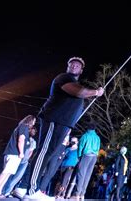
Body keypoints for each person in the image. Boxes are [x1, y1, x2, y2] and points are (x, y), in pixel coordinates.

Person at [15, 56, 104, 200]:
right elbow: (79, 92)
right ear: (68, 67)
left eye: (78, 65)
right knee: (44, 151)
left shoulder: (75, 82)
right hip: (54, 120)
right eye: (72, 64)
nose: (74, 66)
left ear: (81, 70)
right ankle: (30, 190)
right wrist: (96, 92)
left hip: (63, 124)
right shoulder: (64, 78)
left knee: (46, 153)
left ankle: (23, 187)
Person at [0, 115, 36, 198]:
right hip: (14, 154)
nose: (34, 123)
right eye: (34, 121)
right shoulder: (23, 127)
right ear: (30, 121)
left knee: (8, 174)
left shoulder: (22, 128)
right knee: (5, 173)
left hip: (14, 155)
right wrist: (21, 153)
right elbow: (21, 140)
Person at [2, 125, 37, 197]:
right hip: (17, 157)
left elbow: (31, 152)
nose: (34, 132)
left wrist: (27, 159)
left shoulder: (33, 141)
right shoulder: (24, 136)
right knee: (9, 174)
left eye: (35, 131)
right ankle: (2, 190)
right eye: (33, 130)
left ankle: (8, 191)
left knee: (17, 177)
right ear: (29, 130)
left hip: (24, 161)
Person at [73, 121, 101, 199]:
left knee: (81, 175)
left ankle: (77, 194)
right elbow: (98, 148)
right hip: (94, 156)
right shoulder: (97, 137)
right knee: (87, 176)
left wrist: (79, 156)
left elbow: (80, 146)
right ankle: (83, 194)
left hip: (86, 155)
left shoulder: (85, 136)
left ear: (87, 128)